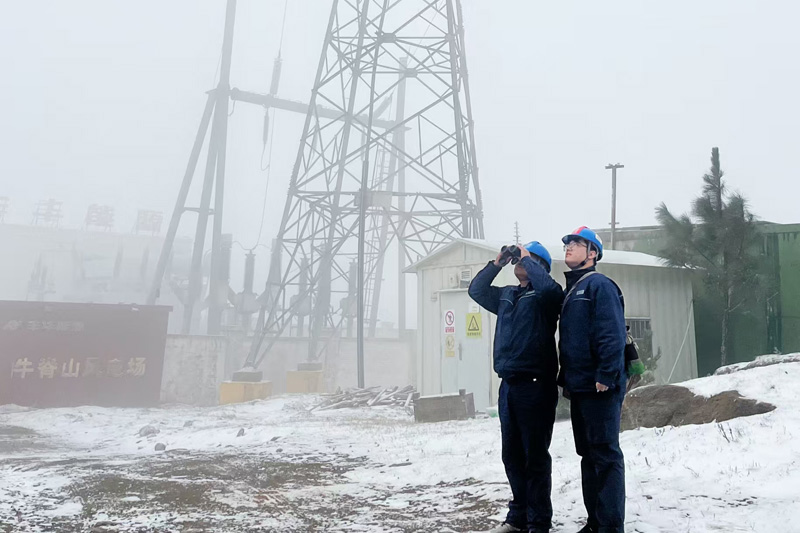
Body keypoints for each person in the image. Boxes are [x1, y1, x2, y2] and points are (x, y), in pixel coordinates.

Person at [468, 241, 564, 533]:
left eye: (528, 260)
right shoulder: (507, 295)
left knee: (534, 456)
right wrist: (497, 263)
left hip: (536, 385)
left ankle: (538, 522)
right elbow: (476, 291)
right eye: (519, 259)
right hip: (508, 386)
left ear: (541, 267)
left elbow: (549, 289)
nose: (520, 263)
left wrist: (528, 258)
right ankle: (518, 516)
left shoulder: (546, 296)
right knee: (511, 455)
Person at [558, 226, 627, 533]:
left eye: (576, 244)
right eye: (568, 244)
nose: (569, 248)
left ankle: (611, 526)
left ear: (593, 253)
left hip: (600, 386)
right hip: (581, 386)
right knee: (588, 455)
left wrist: (606, 375)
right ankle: (595, 522)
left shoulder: (599, 285)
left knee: (606, 455)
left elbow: (611, 333)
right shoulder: (571, 291)